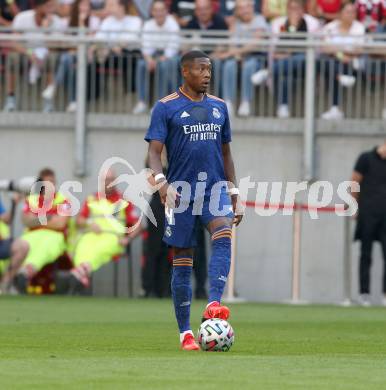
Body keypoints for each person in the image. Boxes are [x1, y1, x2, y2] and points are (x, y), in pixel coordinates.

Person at [145, 50, 243, 350]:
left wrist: (234, 192)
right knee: (183, 263)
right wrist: (162, 184)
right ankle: (185, 332)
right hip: (182, 195)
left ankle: (214, 303)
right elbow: (154, 152)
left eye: (209, 69)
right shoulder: (165, 107)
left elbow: (226, 153)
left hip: (214, 190)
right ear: (185, 72)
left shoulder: (219, 107)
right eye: (201, 69)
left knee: (223, 234)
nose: (207, 74)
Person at [61, 169, 141, 294]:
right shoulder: (92, 199)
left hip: (114, 238)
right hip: (91, 235)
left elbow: (139, 225)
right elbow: (79, 220)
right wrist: (89, 223)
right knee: (82, 247)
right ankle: (82, 275)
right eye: (106, 180)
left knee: (99, 250)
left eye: (111, 180)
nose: (108, 183)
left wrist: (128, 239)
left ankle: (79, 273)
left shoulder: (124, 201)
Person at [0, 168, 70, 294]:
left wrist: (37, 219)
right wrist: (49, 217)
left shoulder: (64, 200)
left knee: (45, 247)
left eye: (52, 183)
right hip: (31, 234)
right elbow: (25, 220)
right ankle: (9, 282)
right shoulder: (31, 199)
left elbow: (60, 223)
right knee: (23, 246)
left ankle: (25, 272)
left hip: (54, 236)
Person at [251, 0, 320, 118]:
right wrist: (291, 31)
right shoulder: (279, 23)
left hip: (306, 63)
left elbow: (311, 48)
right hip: (283, 64)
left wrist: (289, 51)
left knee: (300, 58)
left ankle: (268, 71)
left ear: (303, 10)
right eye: (291, 8)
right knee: (284, 73)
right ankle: (283, 106)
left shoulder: (312, 23)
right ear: (287, 10)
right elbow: (275, 49)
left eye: (297, 8)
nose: (294, 11)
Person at [3, 0, 66, 112]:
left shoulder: (56, 21)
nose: (51, 9)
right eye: (48, 6)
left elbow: (56, 47)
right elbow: (14, 42)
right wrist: (31, 53)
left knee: (50, 60)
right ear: (38, 7)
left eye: (52, 6)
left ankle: (48, 101)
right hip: (26, 52)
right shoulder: (22, 17)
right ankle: (10, 99)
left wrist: (46, 30)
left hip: (47, 54)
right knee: (12, 58)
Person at [41, 0, 100, 112]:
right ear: (76, 7)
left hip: (87, 57)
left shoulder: (94, 21)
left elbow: (89, 41)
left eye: (87, 5)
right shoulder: (65, 22)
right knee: (68, 61)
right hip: (70, 57)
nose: (85, 8)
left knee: (67, 59)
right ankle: (73, 101)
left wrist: (82, 22)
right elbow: (61, 41)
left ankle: (54, 87)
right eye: (82, 5)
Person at [217, 0, 269, 116]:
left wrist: (235, 52)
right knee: (229, 65)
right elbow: (231, 42)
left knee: (249, 65)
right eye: (241, 8)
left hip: (258, 58)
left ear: (252, 7)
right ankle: (228, 102)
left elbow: (256, 44)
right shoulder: (235, 23)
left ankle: (246, 102)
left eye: (247, 7)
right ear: (237, 11)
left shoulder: (259, 19)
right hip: (239, 56)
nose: (244, 10)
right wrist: (235, 54)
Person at [351, 142, 386, 306]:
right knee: (366, 254)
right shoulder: (366, 158)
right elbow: (354, 180)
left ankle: (385, 294)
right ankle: (364, 293)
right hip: (367, 215)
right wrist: (353, 205)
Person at [133, 0, 180, 115]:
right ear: (152, 12)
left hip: (170, 56)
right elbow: (145, 45)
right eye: (156, 10)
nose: (159, 13)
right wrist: (149, 60)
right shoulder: (148, 24)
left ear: (166, 11)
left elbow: (173, 47)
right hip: (153, 55)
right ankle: (142, 101)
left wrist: (159, 60)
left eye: (161, 10)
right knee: (141, 64)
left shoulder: (173, 23)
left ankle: (160, 103)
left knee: (163, 66)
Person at [320, 2, 365, 120]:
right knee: (327, 65)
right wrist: (341, 53)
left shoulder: (359, 27)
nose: (351, 15)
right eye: (348, 12)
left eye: (353, 12)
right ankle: (341, 77)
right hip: (334, 62)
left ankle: (335, 108)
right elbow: (324, 47)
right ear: (340, 13)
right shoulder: (330, 27)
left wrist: (338, 50)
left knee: (333, 69)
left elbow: (359, 50)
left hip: (351, 63)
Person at [184, 0, 229, 97]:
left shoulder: (220, 22)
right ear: (195, 11)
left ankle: (216, 99)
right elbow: (185, 46)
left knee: (217, 64)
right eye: (199, 9)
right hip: (195, 59)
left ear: (211, 10)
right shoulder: (191, 23)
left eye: (205, 9)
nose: (203, 12)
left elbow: (224, 45)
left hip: (214, 57)